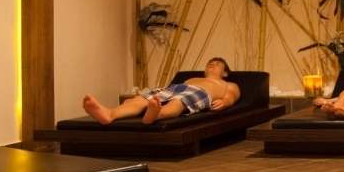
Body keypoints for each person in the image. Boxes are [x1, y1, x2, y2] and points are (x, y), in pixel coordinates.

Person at [83, 57, 241, 125]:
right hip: (175, 87)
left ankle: (156, 114)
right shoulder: (192, 78)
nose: (212, 64)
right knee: (142, 99)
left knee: (178, 102)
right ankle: (110, 114)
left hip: (200, 93)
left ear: (225, 73)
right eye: (209, 63)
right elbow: (172, 90)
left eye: (217, 64)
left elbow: (232, 96)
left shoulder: (228, 84)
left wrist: (225, 102)